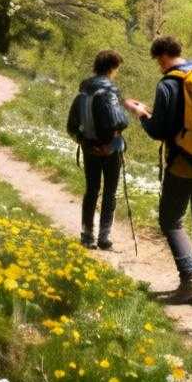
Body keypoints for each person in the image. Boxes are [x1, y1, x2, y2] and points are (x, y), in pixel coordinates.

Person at [127, 36, 192, 305]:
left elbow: (159, 131)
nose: (159, 66)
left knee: (170, 220)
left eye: (158, 61)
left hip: (181, 162)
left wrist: (141, 113)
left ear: (163, 56)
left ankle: (191, 281)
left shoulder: (168, 84)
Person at [66, 50, 128, 250]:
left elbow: (71, 127)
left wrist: (85, 142)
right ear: (112, 68)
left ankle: (86, 235)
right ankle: (104, 237)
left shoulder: (82, 94)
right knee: (110, 192)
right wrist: (111, 146)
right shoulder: (112, 93)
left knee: (91, 190)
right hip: (112, 150)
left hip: (90, 149)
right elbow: (119, 124)